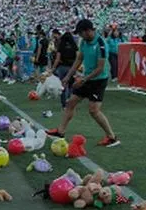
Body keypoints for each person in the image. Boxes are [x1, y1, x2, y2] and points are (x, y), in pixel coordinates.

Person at [46, 19, 120, 147]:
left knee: (94, 110)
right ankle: (60, 132)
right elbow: (79, 59)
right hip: (87, 78)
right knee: (70, 103)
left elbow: (100, 68)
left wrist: (83, 80)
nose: (79, 36)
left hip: (98, 80)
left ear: (88, 31)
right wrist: (68, 76)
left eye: (80, 33)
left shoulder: (101, 44)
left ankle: (111, 137)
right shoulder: (84, 42)